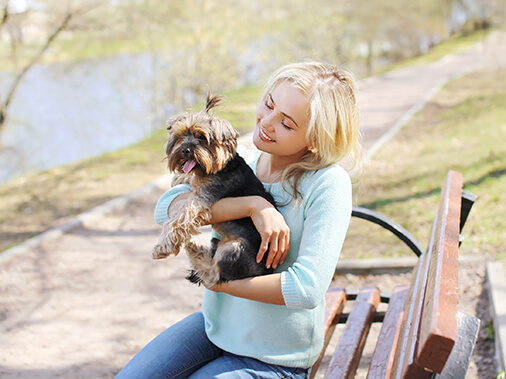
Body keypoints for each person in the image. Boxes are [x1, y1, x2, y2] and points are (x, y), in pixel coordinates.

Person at [116, 61, 361, 379]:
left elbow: (306, 288)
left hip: (273, 357)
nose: (267, 123)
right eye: (269, 104)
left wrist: (222, 283)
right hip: (215, 330)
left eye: (286, 123)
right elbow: (166, 209)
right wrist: (254, 206)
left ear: (316, 138)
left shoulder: (327, 184)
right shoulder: (245, 158)